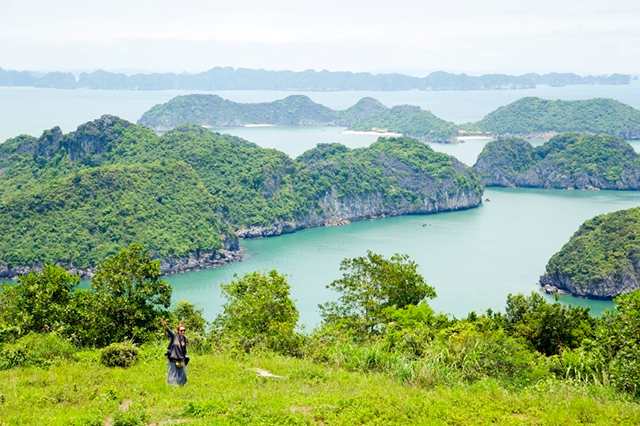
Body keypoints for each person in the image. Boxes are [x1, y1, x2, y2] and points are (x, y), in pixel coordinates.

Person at [160, 318, 188, 386]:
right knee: (172, 375)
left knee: (183, 375)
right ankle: (172, 389)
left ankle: (181, 387)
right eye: (181, 330)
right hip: (173, 359)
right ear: (178, 331)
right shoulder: (174, 336)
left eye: (184, 330)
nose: (182, 332)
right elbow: (168, 330)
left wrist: (185, 355)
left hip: (181, 359)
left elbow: (184, 348)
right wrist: (165, 325)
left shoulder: (184, 339)